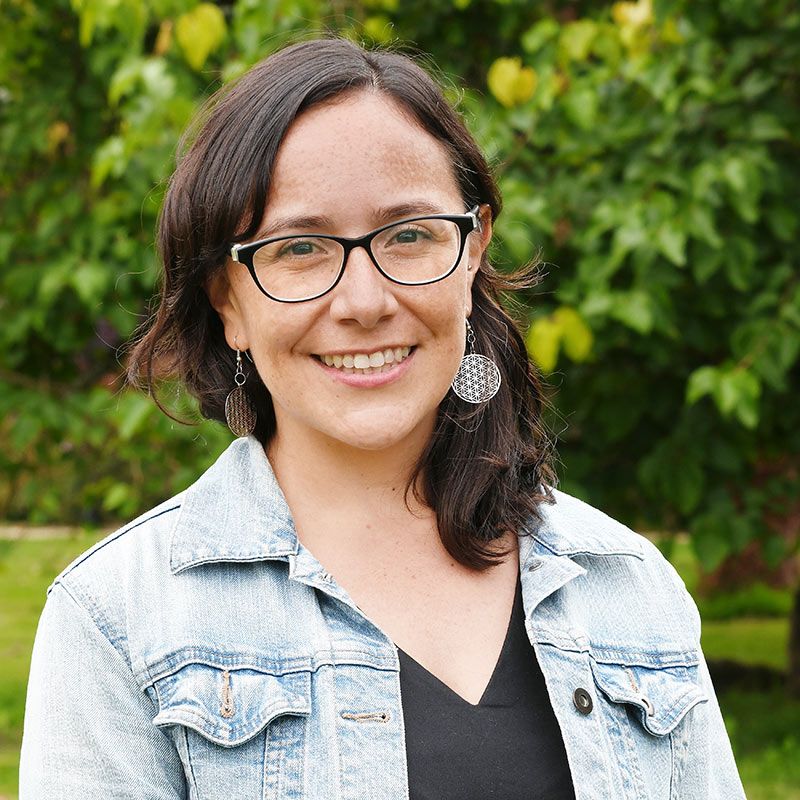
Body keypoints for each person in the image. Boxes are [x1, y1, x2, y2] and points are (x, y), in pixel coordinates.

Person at [20, 38, 745, 799]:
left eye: (409, 235)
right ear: (226, 299)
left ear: (471, 253)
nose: (365, 303)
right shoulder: (117, 618)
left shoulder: (627, 587)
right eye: (300, 247)